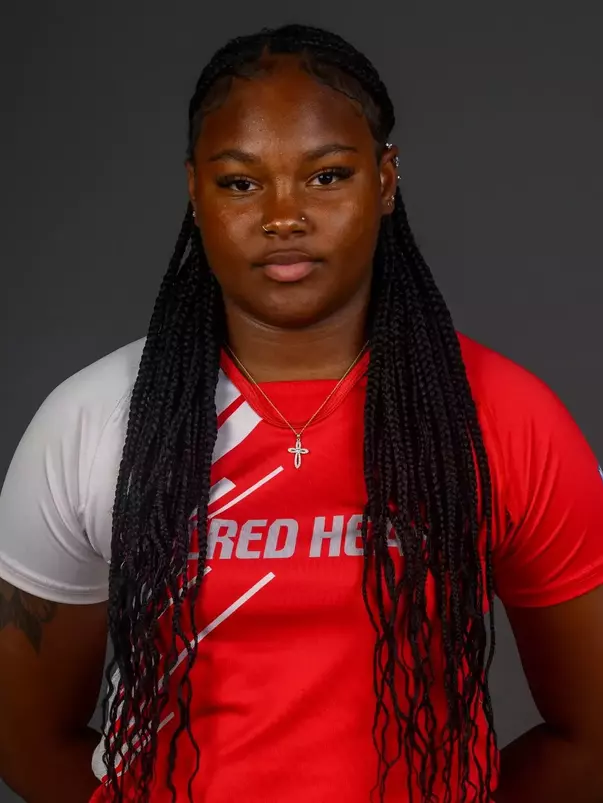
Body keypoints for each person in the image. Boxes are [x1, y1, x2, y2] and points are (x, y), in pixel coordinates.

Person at [1, 22, 603, 803]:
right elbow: (25, 737)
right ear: (194, 191)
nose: (283, 215)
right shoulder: (92, 420)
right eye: (241, 182)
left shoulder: (505, 418)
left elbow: (590, 735)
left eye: (325, 176)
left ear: (384, 181)